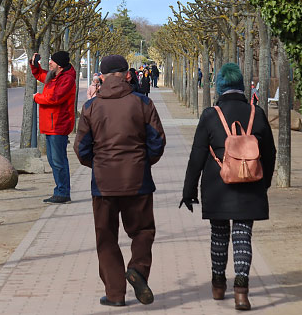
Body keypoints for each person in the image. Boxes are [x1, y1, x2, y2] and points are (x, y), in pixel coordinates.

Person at [181, 63, 276, 311]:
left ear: (219, 86)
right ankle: (241, 293)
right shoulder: (258, 113)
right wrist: (263, 182)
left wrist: (189, 191)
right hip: (251, 185)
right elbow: (270, 152)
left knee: (219, 235)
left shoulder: (210, 115)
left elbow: (197, 155)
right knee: (243, 237)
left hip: (217, 185)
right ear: (241, 86)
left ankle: (218, 285)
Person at [75, 54, 166, 307]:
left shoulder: (90, 107)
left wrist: (99, 163)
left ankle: (115, 293)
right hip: (138, 180)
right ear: (127, 74)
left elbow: (81, 149)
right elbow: (157, 142)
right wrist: (142, 162)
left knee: (106, 237)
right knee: (143, 230)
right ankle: (137, 269)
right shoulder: (143, 103)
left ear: (101, 77)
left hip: (103, 182)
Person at [30, 50, 76, 204]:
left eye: (52, 61)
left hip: (58, 125)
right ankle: (60, 191)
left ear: (60, 66)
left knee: (58, 161)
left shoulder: (67, 80)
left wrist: (37, 97)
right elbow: (39, 75)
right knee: (53, 160)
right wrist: (34, 64)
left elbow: (53, 98)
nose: (49, 63)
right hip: (51, 126)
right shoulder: (55, 76)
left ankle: (63, 193)